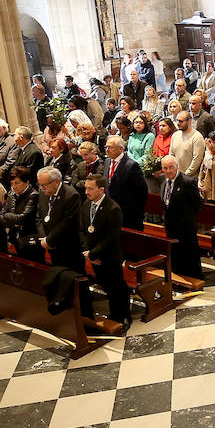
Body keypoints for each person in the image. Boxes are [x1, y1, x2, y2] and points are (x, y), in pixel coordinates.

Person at [81, 173, 130, 329]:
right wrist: (87, 252)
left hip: (109, 256)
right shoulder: (86, 205)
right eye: (86, 188)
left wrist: (93, 253)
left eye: (90, 188)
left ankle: (123, 316)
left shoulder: (113, 208)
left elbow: (111, 237)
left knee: (116, 288)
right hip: (93, 255)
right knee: (106, 286)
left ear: (101, 190)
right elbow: (82, 230)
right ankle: (114, 314)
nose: (86, 192)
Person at [157, 155, 202, 278]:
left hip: (185, 226)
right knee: (174, 253)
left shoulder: (187, 182)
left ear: (177, 167)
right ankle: (178, 277)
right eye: (165, 168)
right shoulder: (162, 179)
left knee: (189, 254)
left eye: (171, 167)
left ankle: (193, 279)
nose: (168, 171)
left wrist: (188, 219)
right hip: (170, 225)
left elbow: (197, 204)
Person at [101, 135, 147, 229]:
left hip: (127, 214)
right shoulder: (107, 162)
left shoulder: (131, 165)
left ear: (121, 149)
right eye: (106, 147)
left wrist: (135, 211)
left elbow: (142, 191)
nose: (107, 150)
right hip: (109, 211)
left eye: (111, 147)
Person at [1, 166, 43, 262]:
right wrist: (12, 221)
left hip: (30, 239)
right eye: (11, 183)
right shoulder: (11, 194)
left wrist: (8, 216)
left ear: (27, 182)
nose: (14, 186)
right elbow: (1, 216)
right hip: (15, 237)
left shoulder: (33, 195)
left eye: (17, 183)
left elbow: (23, 219)